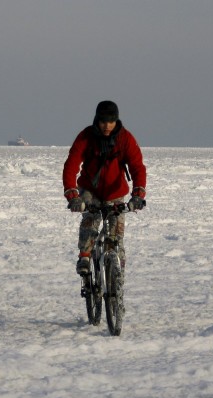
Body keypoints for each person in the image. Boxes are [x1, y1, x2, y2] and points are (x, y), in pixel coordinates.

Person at [63, 100, 146, 278]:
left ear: (116, 121)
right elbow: (71, 166)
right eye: (103, 121)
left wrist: (138, 194)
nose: (107, 126)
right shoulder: (86, 137)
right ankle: (84, 257)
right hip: (89, 190)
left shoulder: (125, 138)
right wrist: (73, 196)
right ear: (97, 120)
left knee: (116, 238)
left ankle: (117, 284)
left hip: (115, 192)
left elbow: (137, 167)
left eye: (111, 121)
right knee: (91, 220)